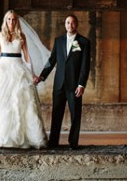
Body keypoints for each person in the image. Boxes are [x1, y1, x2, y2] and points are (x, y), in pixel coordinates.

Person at [0, 10, 48, 149]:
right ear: (5, 21)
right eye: (9, 19)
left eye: (14, 19)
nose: (11, 22)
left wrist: (33, 74)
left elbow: (27, 57)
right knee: (0, 103)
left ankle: (21, 137)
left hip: (18, 70)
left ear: (17, 21)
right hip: (3, 71)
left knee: (21, 103)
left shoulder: (21, 36)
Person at [34, 14, 91, 150]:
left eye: (72, 22)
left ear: (76, 24)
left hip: (74, 85)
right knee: (56, 113)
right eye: (67, 23)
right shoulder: (58, 41)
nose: (70, 25)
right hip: (59, 84)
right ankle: (53, 142)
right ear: (65, 25)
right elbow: (51, 61)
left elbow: (85, 65)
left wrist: (81, 84)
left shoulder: (84, 42)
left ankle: (73, 143)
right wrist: (41, 76)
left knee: (75, 114)